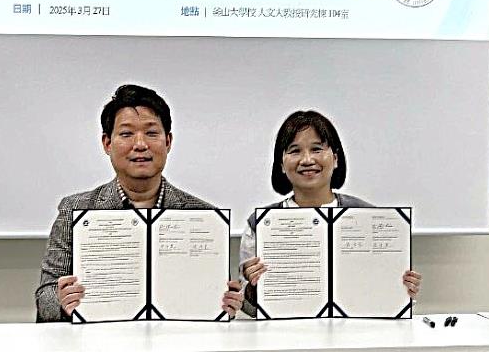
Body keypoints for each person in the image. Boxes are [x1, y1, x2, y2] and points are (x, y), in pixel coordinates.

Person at [36, 84, 243, 321]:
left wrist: (227, 303)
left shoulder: (205, 216)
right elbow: (44, 299)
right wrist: (61, 300)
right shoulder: (75, 211)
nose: (140, 144)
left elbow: (217, 301)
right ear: (107, 143)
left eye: (151, 133)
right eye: (126, 134)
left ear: (168, 141)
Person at [239, 110, 422, 316]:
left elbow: (393, 301)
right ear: (281, 164)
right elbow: (248, 308)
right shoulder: (260, 224)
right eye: (295, 151)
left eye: (317, 149)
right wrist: (253, 289)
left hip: (357, 333)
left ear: (335, 158)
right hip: (286, 333)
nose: (307, 160)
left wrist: (403, 289)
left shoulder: (370, 218)